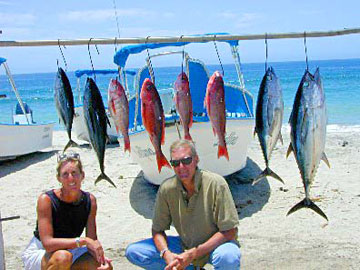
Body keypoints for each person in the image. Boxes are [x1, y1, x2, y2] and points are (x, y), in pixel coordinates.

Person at [126, 139, 241, 270]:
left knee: (228, 257)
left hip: (216, 245)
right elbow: (157, 230)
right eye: (175, 163)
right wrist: (166, 254)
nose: (181, 167)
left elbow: (230, 231)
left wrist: (194, 254)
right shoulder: (167, 189)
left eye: (186, 161)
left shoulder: (216, 184)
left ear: (196, 160)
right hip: (185, 244)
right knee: (134, 252)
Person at [21, 152, 113, 270]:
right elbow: (48, 244)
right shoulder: (46, 200)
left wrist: (101, 260)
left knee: (100, 265)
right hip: (42, 252)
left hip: (71, 249)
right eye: (65, 174)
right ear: (58, 178)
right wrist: (83, 241)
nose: (71, 178)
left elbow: (92, 240)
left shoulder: (90, 201)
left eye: (74, 173)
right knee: (63, 258)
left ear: (82, 175)